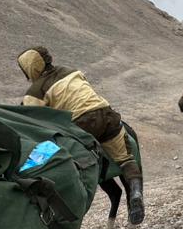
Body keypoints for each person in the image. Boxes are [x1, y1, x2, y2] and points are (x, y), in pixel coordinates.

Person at [16, 46, 143, 198]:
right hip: (106, 114)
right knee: (125, 158)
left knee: (60, 157)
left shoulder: (36, 90)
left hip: (80, 123)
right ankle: (135, 192)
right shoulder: (71, 71)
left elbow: (29, 116)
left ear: (30, 67)